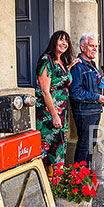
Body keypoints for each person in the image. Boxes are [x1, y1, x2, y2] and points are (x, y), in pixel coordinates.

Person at [35, 31, 79, 169]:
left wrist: (69, 67)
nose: (64, 43)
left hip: (62, 112)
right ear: (54, 41)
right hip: (49, 113)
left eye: (66, 41)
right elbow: (45, 90)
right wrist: (54, 115)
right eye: (61, 40)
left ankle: (56, 183)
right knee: (49, 148)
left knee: (59, 146)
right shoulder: (46, 60)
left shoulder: (61, 61)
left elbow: (59, 79)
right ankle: (46, 183)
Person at [69, 33, 104, 166]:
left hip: (94, 111)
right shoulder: (77, 66)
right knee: (84, 145)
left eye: (96, 46)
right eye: (91, 46)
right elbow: (75, 92)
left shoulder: (92, 65)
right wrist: (97, 97)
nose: (95, 49)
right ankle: (79, 177)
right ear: (82, 47)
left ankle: (86, 173)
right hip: (84, 113)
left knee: (90, 144)